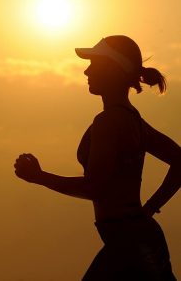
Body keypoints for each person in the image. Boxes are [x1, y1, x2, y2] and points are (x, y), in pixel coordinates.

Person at [14, 35, 181, 280]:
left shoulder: (109, 121)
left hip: (129, 246)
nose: (86, 71)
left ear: (114, 70)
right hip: (139, 240)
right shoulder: (133, 119)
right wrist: (149, 209)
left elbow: (95, 187)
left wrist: (40, 177)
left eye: (94, 64)